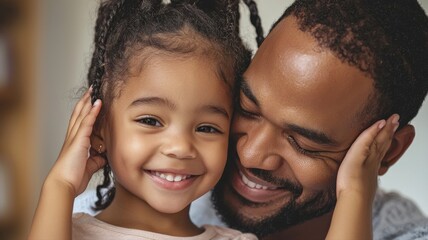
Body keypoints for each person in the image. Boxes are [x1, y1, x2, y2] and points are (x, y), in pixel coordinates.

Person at [28, 0, 400, 239]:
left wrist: (353, 194)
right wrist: (59, 185)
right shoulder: (67, 228)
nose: (180, 147)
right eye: (150, 120)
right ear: (99, 130)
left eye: (207, 128)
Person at [190, 0, 428, 239]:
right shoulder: (177, 185)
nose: (250, 154)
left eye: (303, 143)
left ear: (388, 151)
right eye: (247, 108)